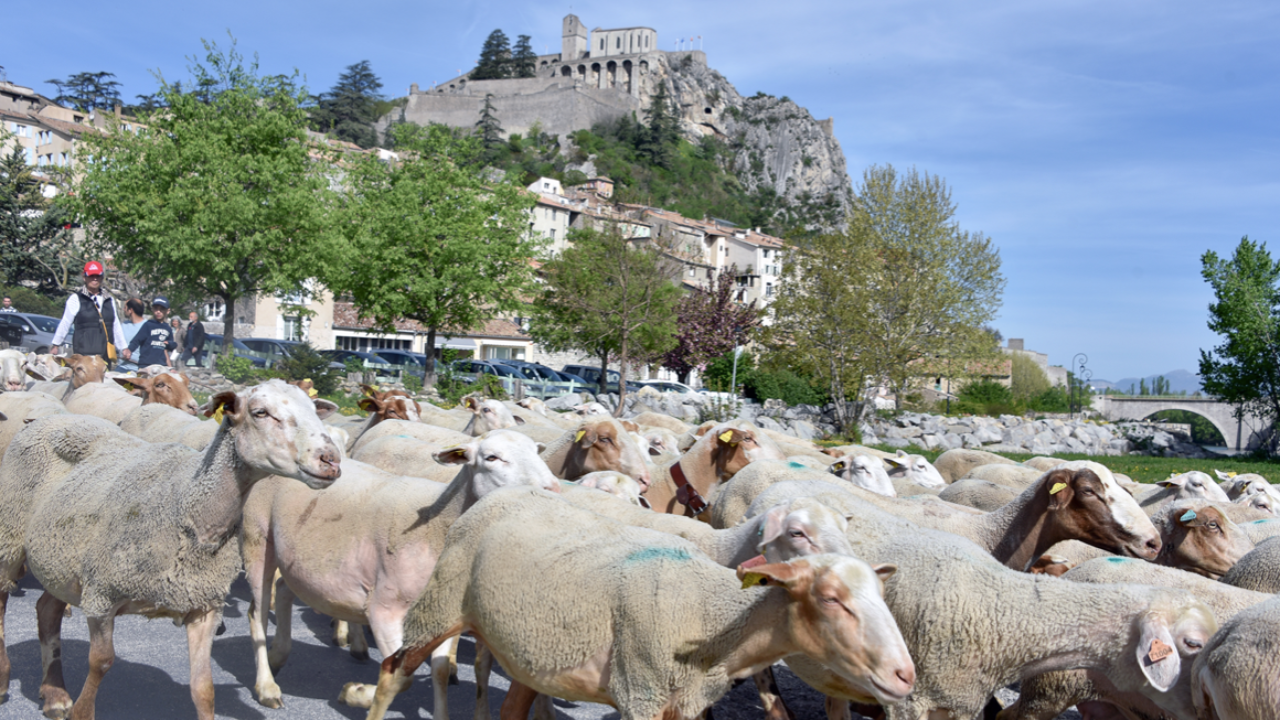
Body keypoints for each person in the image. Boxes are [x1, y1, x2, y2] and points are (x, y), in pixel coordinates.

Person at [51, 261, 131, 366]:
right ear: (84, 277)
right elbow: (65, 323)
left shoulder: (109, 299)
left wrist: (123, 348)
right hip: (84, 356)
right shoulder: (75, 299)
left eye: (98, 276)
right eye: (91, 276)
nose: (95, 279)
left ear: (102, 277)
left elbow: (115, 325)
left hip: (104, 356)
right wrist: (56, 345)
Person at [127, 297, 177, 368]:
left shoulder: (168, 328)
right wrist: (129, 350)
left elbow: (171, 344)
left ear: (168, 311)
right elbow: (137, 340)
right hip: (146, 364)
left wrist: (170, 344)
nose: (158, 311)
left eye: (162, 309)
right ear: (152, 309)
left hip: (161, 365)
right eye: (156, 308)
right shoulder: (148, 325)